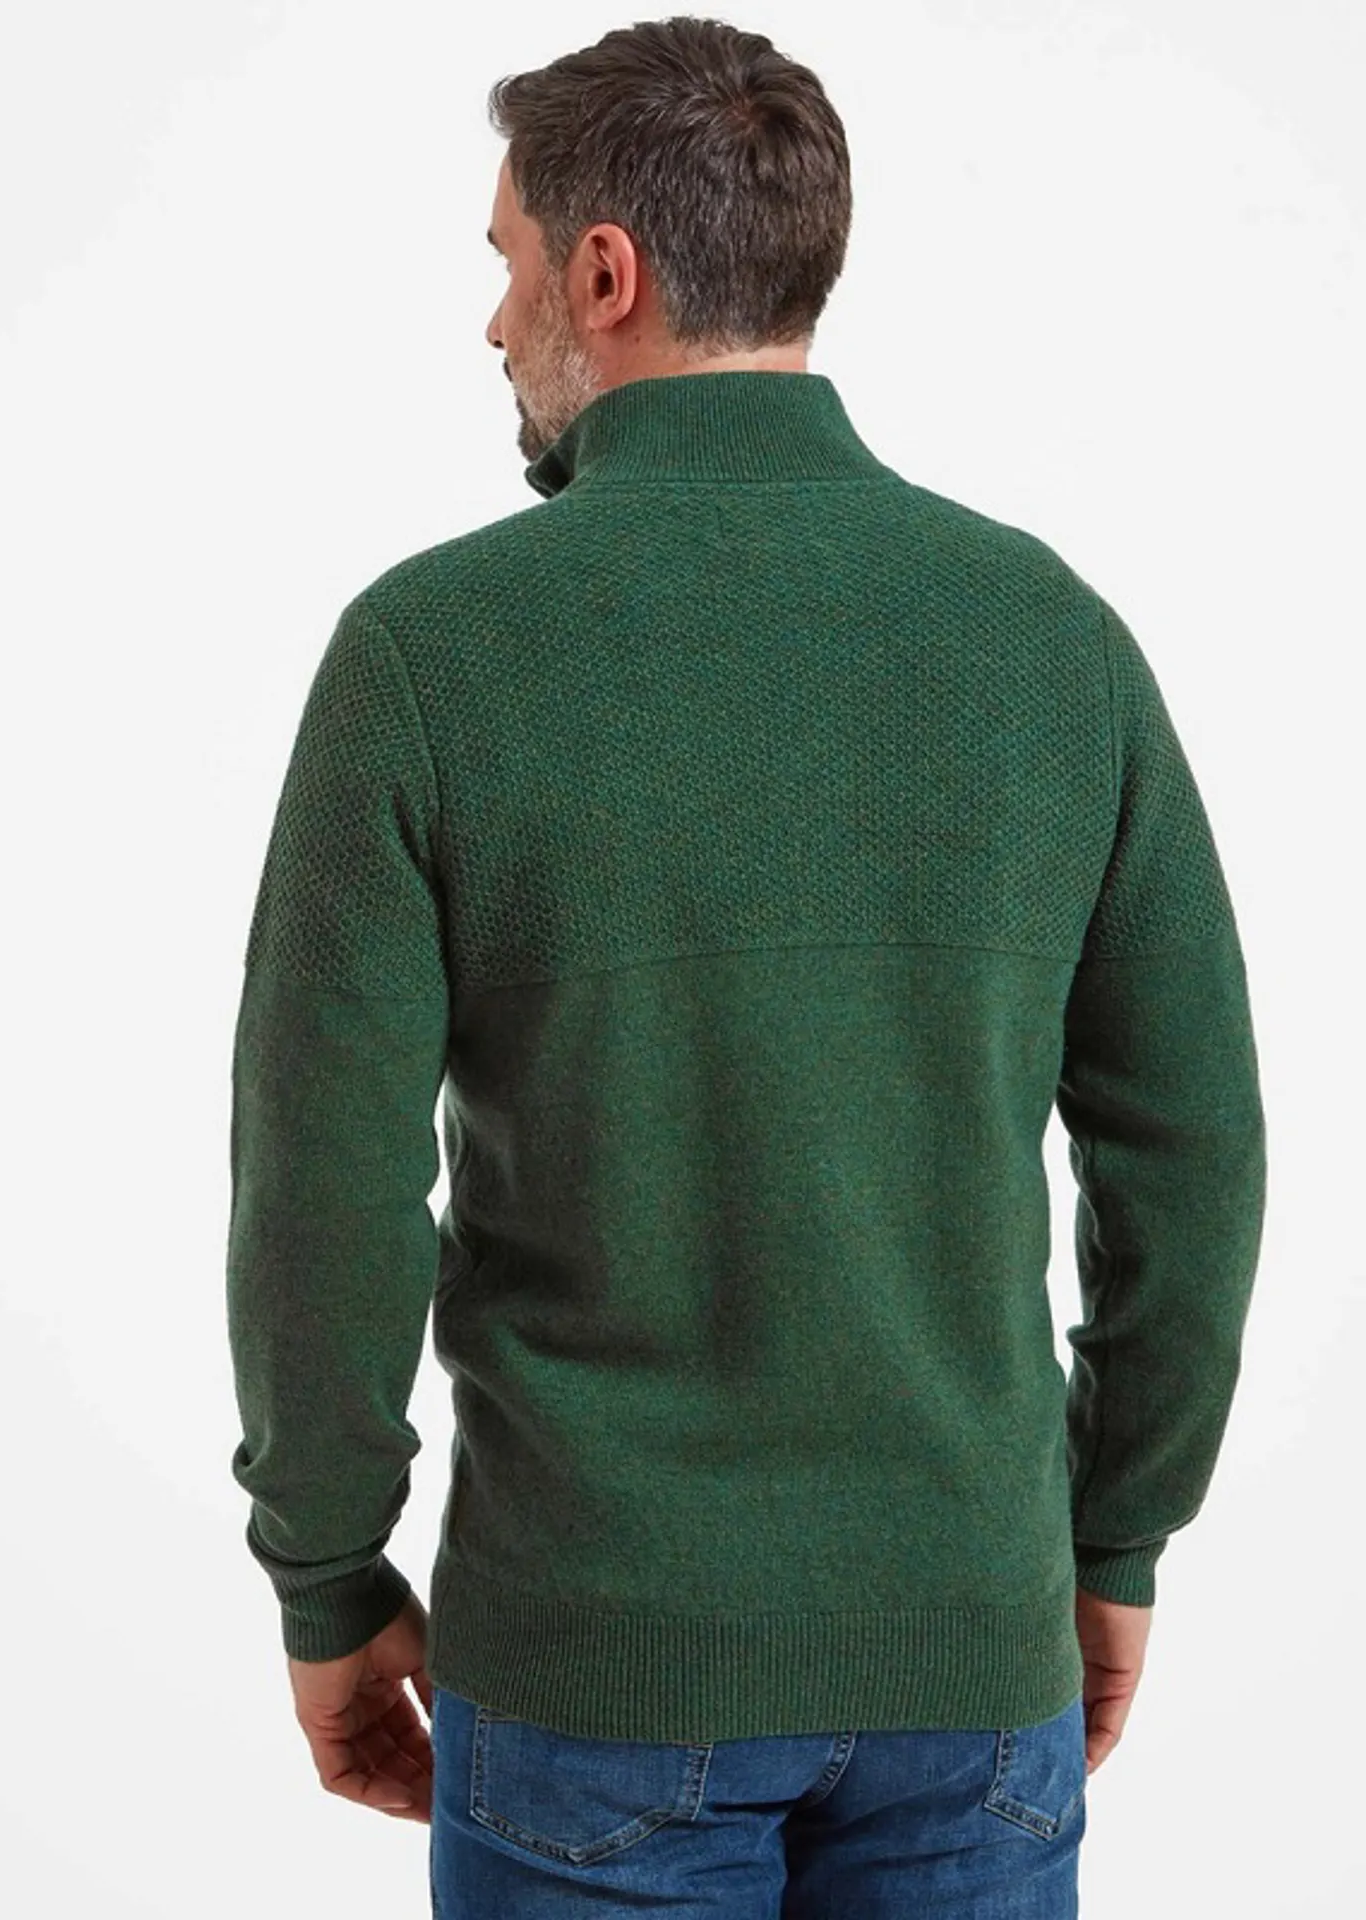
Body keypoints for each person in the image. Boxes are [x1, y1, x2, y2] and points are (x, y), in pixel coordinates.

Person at [223, 16, 1267, 1917]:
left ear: (604, 275)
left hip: (594, 1671)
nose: (492, 322)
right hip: (974, 1656)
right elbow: (1192, 1153)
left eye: (507, 264)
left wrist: (326, 1575)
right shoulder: (1052, 638)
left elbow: (325, 1194)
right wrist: (1116, 1532)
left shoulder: (429, 655)